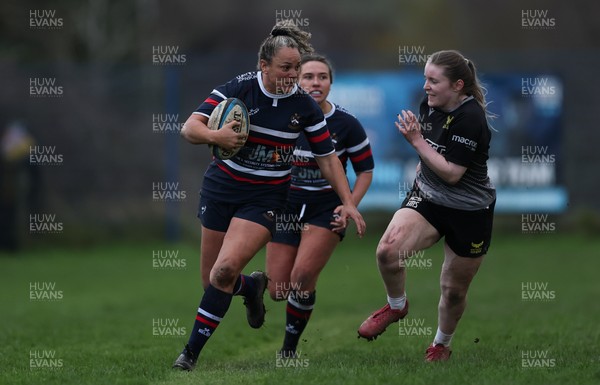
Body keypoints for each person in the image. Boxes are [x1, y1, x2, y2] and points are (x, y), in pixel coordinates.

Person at [172, 21, 366, 371]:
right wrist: (217, 137)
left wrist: (348, 202)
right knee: (213, 280)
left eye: (297, 68)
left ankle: (189, 355)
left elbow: (327, 158)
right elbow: (189, 128)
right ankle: (251, 288)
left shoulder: (304, 106)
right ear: (264, 65)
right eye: (286, 68)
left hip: (265, 199)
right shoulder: (240, 89)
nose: (294, 75)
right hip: (220, 190)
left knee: (224, 270)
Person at [357, 50, 496, 362]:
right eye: (425, 79)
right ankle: (396, 306)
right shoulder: (429, 104)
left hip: (469, 211)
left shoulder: (471, 119)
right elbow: (432, 155)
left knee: (453, 290)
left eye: (434, 80)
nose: (427, 86)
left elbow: (452, 173)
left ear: (458, 85)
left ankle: (441, 345)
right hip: (429, 198)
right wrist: (421, 163)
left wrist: (416, 142)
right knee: (387, 251)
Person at [265, 54, 374, 356]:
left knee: (301, 278)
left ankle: (288, 350)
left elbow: (365, 170)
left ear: (330, 83)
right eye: (309, 76)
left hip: (326, 209)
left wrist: (349, 204)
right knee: (277, 291)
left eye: (322, 77)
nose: (316, 82)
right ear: (296, 79)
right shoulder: (282, 116)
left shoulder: (346, 123)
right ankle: (251, 289)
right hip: (286, 207)